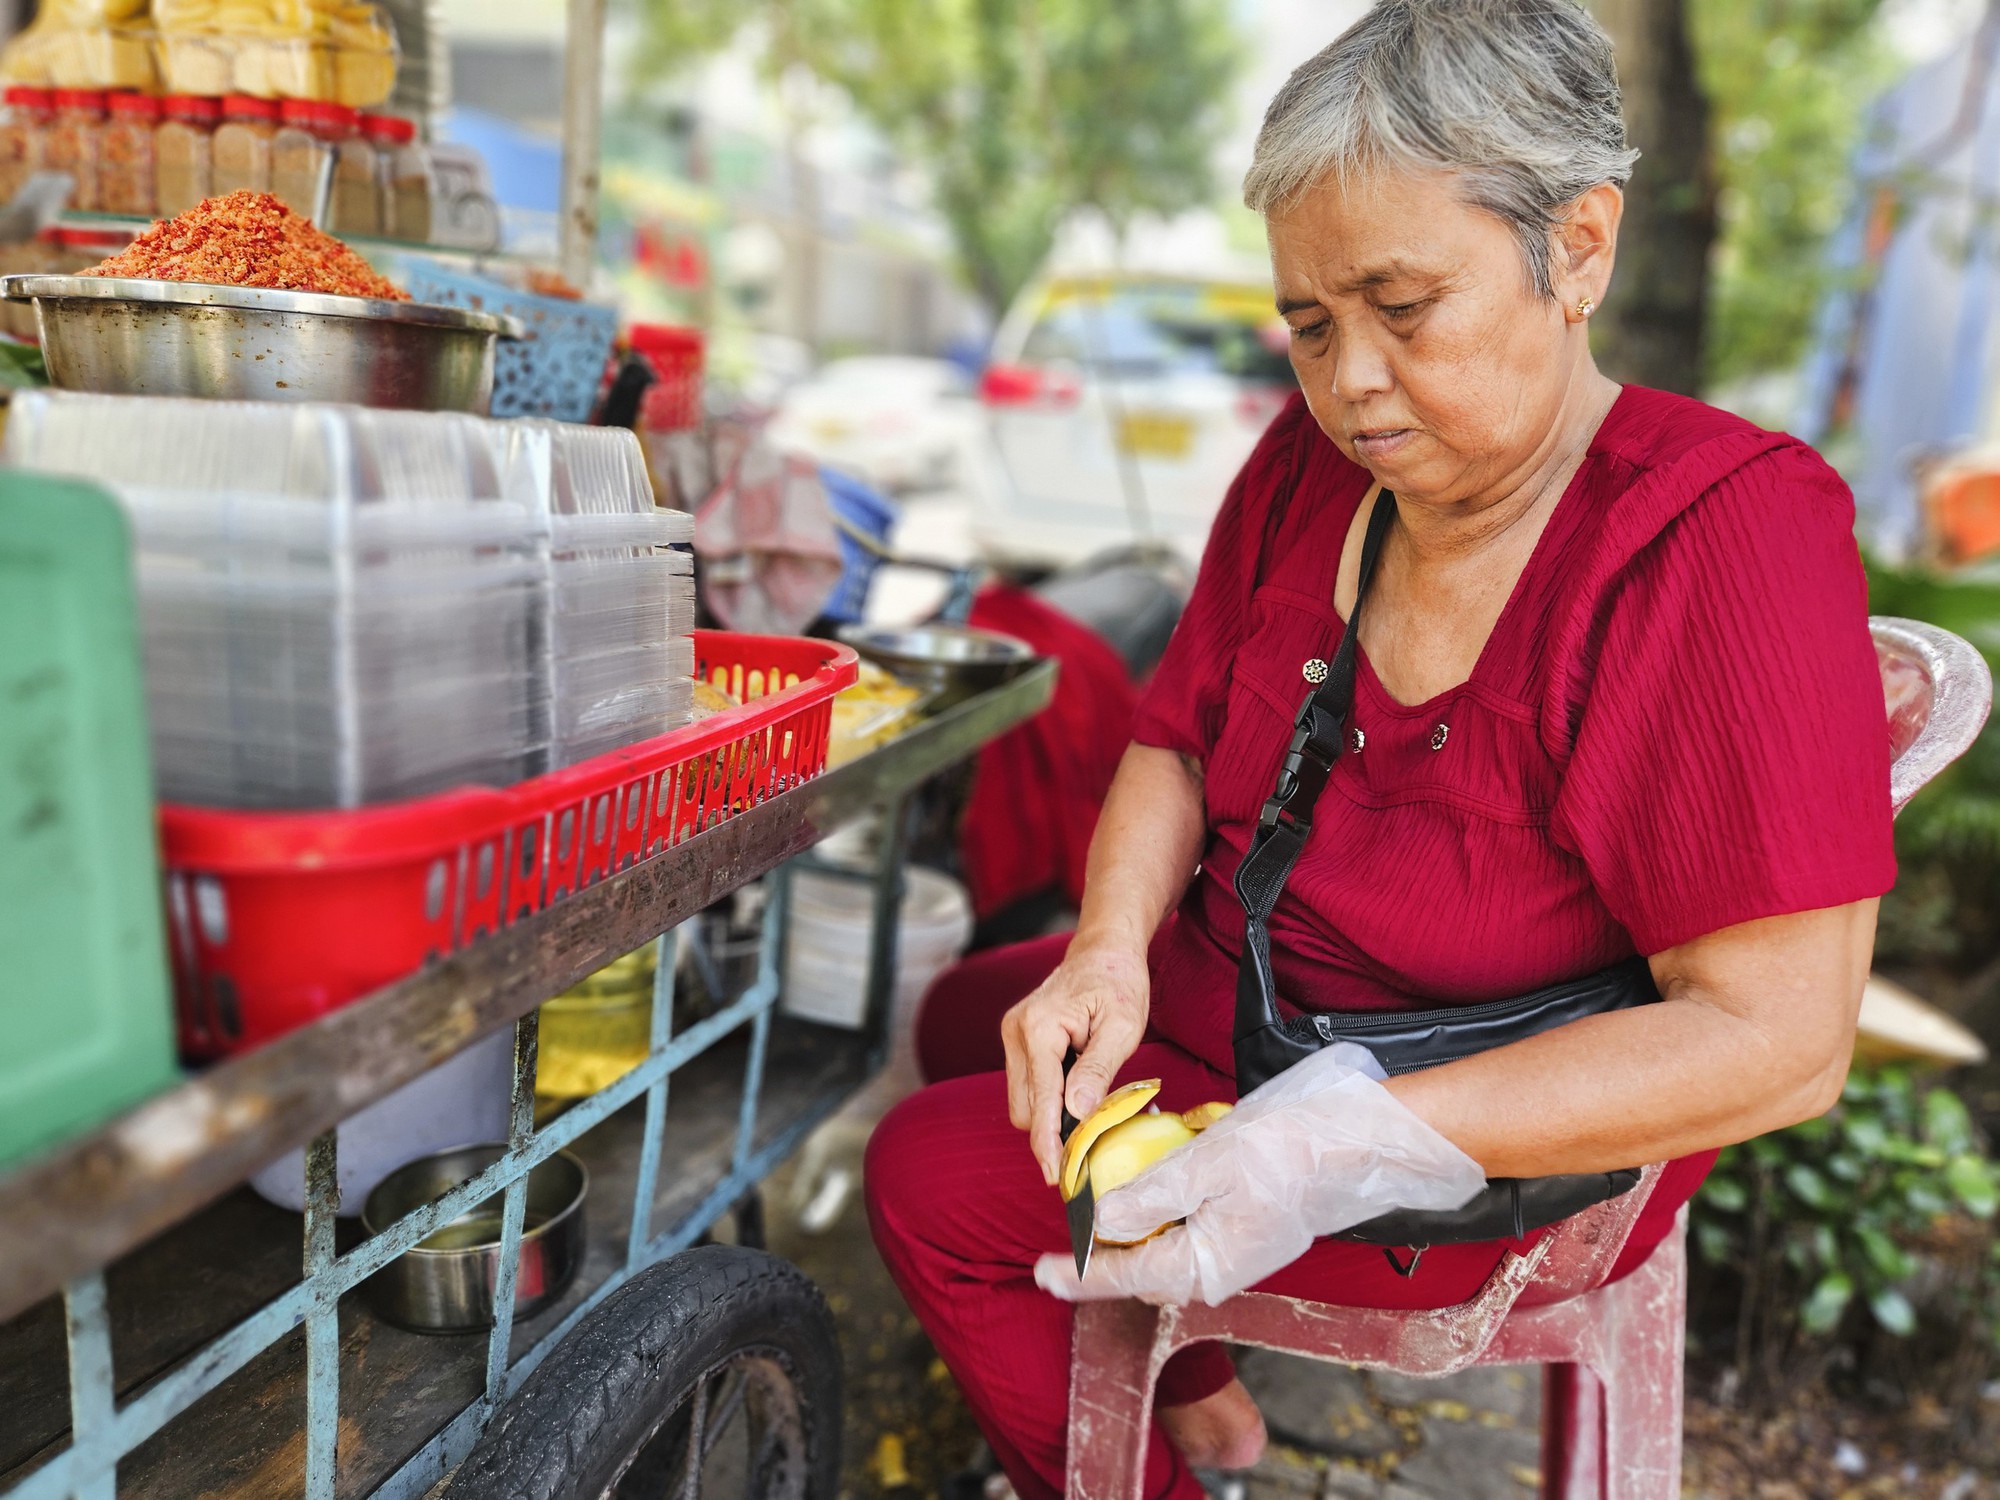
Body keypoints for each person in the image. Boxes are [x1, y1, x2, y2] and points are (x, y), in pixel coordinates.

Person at [866, 4, 1896, 1495]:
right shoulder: (1310, 467)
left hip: (1476, 1139)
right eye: (1307, 323)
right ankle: (1200, 1394)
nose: (1348, 383)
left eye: (1403, 308)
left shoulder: (1720, 537)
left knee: (928, 1182)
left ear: (1580, 249)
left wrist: (1331, 1146)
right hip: (1259, 1009)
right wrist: (1104, 951)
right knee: (985, 1017)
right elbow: (1168, 743)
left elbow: (1779, 1036)